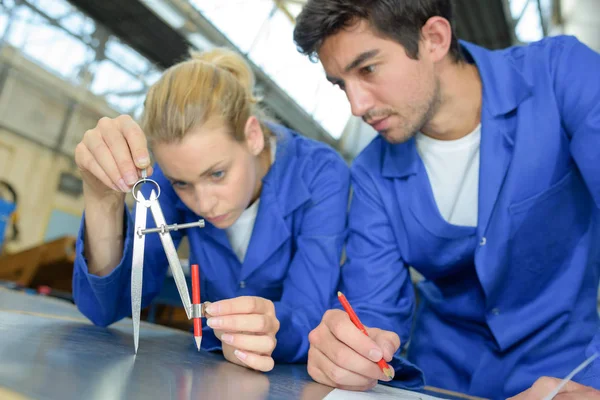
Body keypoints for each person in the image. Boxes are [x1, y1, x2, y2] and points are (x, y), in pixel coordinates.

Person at [293, 0, 600, 398]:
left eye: (368, 69)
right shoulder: (371, 174)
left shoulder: (560, 75)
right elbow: (373, 310)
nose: (357, 106)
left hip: (568, 371)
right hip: (438, 379)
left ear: (434, 39)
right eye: (341, 84)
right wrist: (350, 349)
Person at [72, 47, 350, 372]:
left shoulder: (320, 172)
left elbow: (310, 314)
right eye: (182, 184)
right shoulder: (168, 176)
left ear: (253, 136)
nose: (203, 204)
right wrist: (101, 198)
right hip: (211, 370)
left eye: (217, 174)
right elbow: (107, 308)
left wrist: (269, 330)